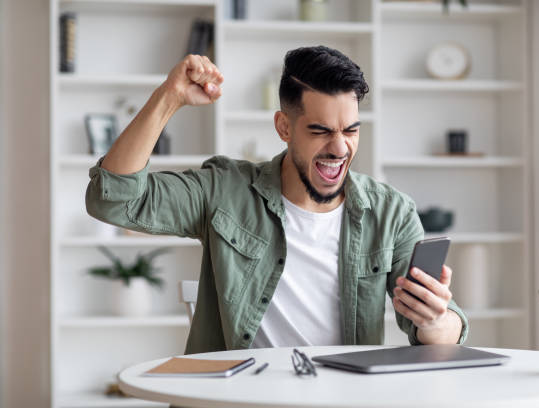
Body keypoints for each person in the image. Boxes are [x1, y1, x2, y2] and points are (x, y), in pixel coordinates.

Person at [86, 46, 468, 353]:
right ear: (284, 127)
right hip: (241, 399)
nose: (339, 148)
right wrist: (168, 98)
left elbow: (446, 330)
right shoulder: (226, 190)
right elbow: (114, 199)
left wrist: (435, 320)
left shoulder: (391, 212)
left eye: (351, 130)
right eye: (320, 131)